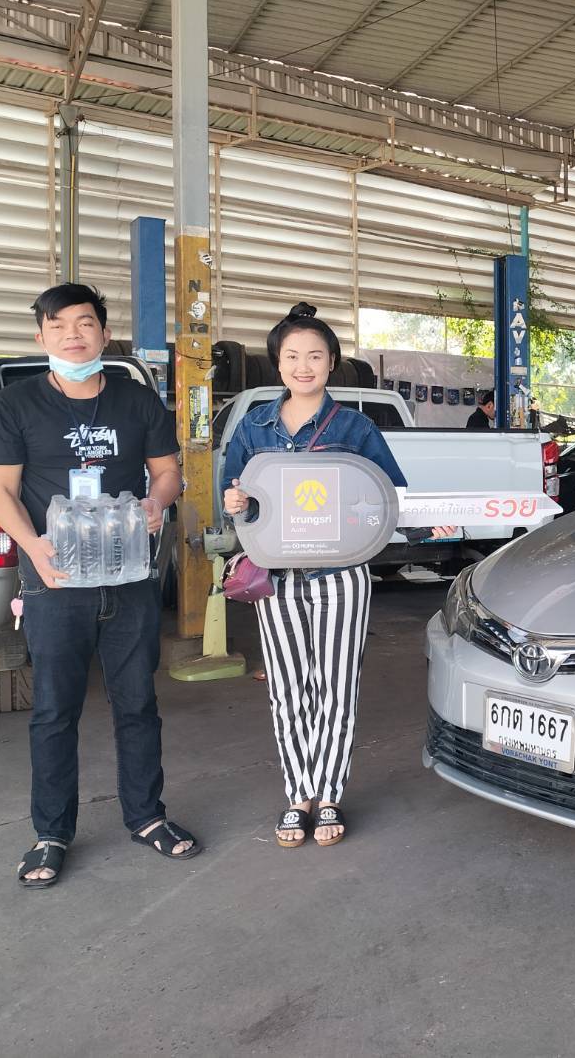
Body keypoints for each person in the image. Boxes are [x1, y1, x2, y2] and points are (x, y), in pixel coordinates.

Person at [0, 283, 200, 889]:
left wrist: (157, 503)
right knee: (54, 710)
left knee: (138, 703)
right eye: (58, 325)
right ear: (41, 336)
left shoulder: (137, 400)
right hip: (54, 580)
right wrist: (34, 549)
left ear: (104, 333)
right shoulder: (16, 405)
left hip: (128, 578)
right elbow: (1, 491)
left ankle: (147, 817)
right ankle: (51, 833)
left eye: (84, 323)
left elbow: (168, 472)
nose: (72, 335)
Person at [223, 303, 455, 848]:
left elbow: (388, 496)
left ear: (332, 363)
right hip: (276, 577)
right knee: (287, 689)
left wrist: (431, 523)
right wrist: (234, 503)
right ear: (277, 362)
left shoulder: (355, 427)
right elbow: (234, 498)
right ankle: (297, 795)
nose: (303, 366)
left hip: (341, 575)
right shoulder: (253, 427)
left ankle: (328, 793)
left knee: (336, 686)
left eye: (315, 356)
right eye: (292, 356)